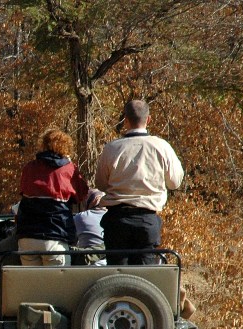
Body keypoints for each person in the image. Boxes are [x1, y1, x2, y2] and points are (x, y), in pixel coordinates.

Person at [95, 100, 184, 265]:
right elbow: (174, 182)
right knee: (143, 277)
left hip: (117, 220)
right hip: (147, 219)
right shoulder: (161, 147)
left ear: (126, 120)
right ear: (148, 119)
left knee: (117, 276)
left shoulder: (112, 148)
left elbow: (101, 184)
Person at [16, 128, 89, 266]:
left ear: (43, 145)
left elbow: (24, 192)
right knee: (57, 285)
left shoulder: (29, 167)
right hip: (55, 237)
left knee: (32, 285)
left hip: (27, 237)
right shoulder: (68, 169)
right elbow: (82, 194)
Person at [73, 188, 107, 266]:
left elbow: (72, 240)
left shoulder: (81, 217)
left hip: (89, 262)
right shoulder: (112, 217)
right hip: (112, 261)